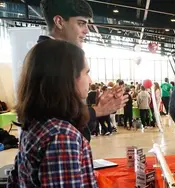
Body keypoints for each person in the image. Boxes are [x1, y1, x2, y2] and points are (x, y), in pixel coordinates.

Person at [7, 39, 112, 188]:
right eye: (86, 72)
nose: (91, 80)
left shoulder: (33, 124)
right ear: (67, 79)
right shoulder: (61, 136)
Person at [38, 0, 127, 141]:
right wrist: (97, 111)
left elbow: (66, 113)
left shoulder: (55, 55)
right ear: (59, 22)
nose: (86, 30)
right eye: (81, 23)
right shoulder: (48, 59)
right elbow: (57, 120)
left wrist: (97, 109)